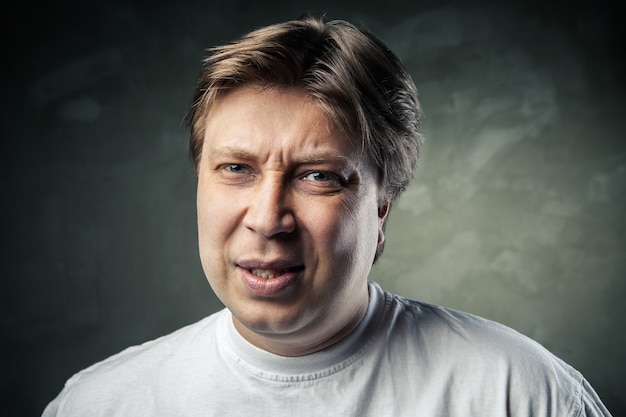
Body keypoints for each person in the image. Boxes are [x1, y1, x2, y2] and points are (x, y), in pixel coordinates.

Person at [43, 14, 612, 417]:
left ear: (382, 208)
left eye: (318, 176)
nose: (267, 219)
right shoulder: (99, 404)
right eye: (236, 168)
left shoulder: (520, 395)